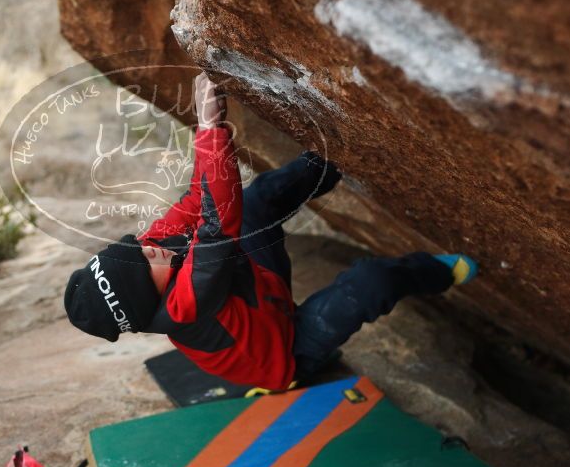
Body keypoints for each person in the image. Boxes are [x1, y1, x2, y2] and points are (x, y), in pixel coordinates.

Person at [63, 74, 477, 391]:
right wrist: (209, 127)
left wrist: (205, 132)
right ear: (148, 298)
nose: (148, 249)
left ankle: (332, 160)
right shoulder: (187, 307)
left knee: (258, 202)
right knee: (371, 281)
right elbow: (216, 223)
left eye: (136, 249)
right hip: (290, 348)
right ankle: (440, 274)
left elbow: (196, 198)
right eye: (143, 264)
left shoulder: (153, 249)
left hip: (263, 292)